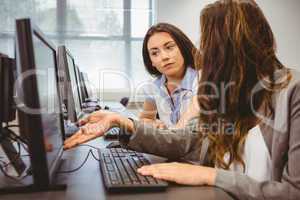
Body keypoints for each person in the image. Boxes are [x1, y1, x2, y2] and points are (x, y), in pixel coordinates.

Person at [64, 0, 300, 199]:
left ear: (233, 46)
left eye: (209, 43)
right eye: (154, 53)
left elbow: (293, 192)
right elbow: (184, 141)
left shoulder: (292, 92)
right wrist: (121, 121)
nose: (204, 51)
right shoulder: (229, 91)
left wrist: (208, 175)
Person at [138, 23, 200, 128]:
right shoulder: (154, 87)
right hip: (170, 143)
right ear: (151, 62)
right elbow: (146, 118)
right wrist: (153, 124)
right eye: (155, 53)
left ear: (182, 48)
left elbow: (180, 132)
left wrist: (166, 135)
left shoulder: (201, 79)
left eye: (169, 47)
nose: (164, 57)